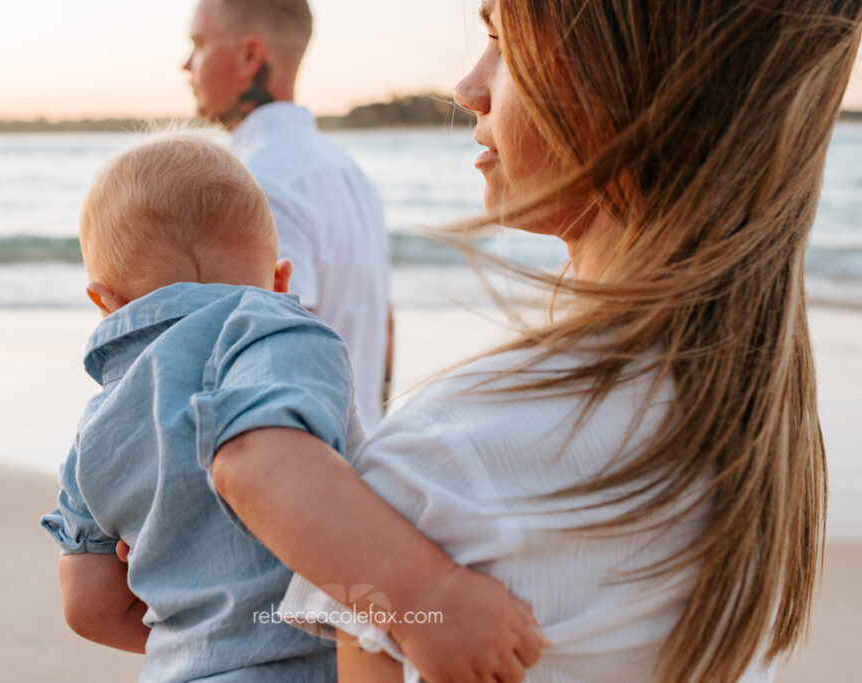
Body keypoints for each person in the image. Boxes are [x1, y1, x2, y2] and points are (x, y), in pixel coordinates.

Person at [208, 1, 862, 681]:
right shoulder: (764, 432)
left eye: (502, 41)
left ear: (628, 79)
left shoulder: (451, 464)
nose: (468, 87)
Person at [39, 133, 546, 683]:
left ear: (104, 303)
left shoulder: (95, 426)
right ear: (282, 280)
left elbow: (88, 605)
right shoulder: (270, 328)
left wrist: (197, 643)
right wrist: (429, 597)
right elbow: (265, 464)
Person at [182, 0, 392, 433]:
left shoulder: (256, 182)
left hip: (304, 480)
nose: (186, 64)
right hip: (357, 460)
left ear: (250, 56)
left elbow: (285, 365)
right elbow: (384, 326)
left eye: (199, 44)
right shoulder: (348, 171)